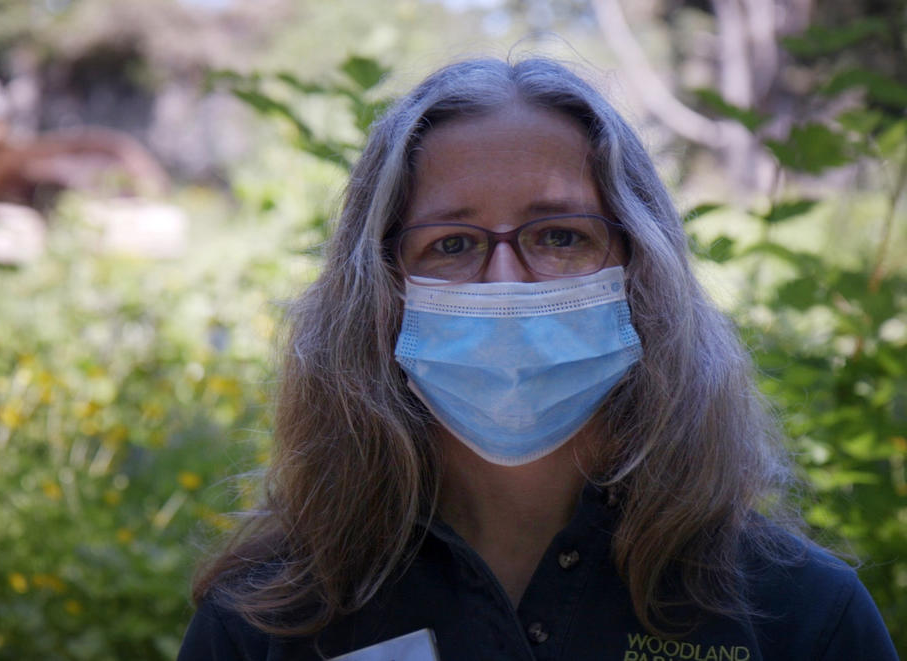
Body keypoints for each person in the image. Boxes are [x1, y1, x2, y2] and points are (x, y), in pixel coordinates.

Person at [178, 57, 898, 660]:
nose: (507, 283)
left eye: (559, 236)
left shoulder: (800, 614)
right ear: (381, 291)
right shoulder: (268, 619)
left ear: (641, 271)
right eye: (452, 244)